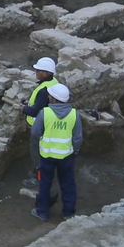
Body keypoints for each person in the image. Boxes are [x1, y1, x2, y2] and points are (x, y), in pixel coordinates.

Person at [30, 82, 82, 223]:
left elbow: (35, 132)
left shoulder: (45, 113)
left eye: (50, 96)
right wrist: (74, 151)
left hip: (46, 155)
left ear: (53, 99)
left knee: (45, 183)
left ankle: (42, 212)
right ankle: (68, 213)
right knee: (68, 183)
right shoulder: (74, 114)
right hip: (66, 156)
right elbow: (77, 138)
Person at [20, 56, 57, 196]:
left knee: (37, 153)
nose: (35, 71)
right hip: (47, 124)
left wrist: (23, 108)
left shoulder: (44, 90)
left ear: (46, 73)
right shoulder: (53, 83)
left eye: (38, 70)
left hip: (39, 127)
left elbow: (36, 110)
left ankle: (38, 177)